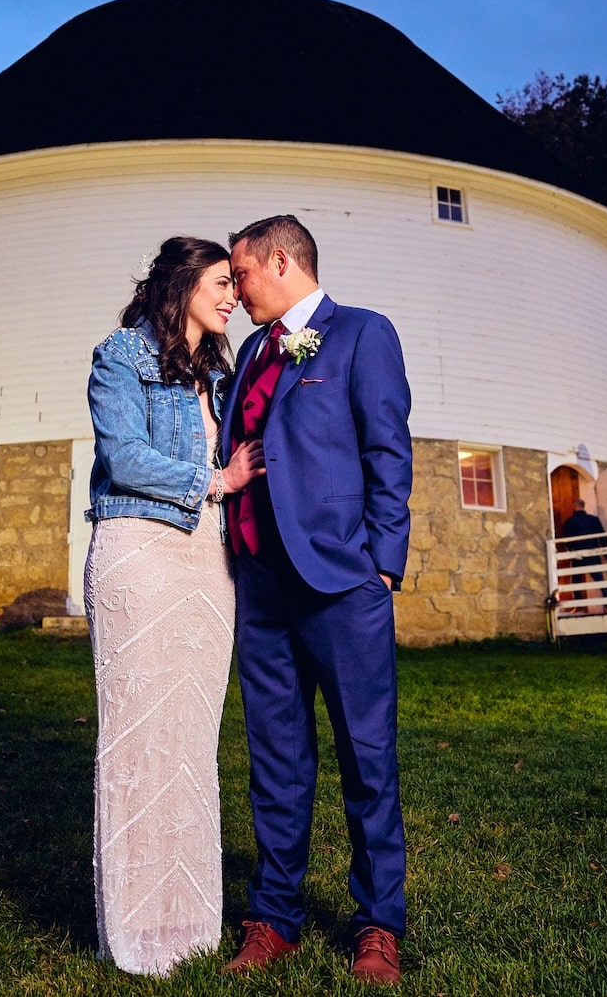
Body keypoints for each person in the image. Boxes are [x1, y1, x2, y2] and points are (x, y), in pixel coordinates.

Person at [219, 215, 413, 986]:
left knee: (367, 758)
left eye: (241, 272)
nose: (235, 288)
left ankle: (378, 923)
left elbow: (387, 450)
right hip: (261, 588)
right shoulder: (249, 353)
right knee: (275, 759)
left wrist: (382, 567)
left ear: (280, 260)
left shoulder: (362, 334)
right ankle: (274, 917)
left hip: (342, 584)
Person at [82, 236, 266, 977]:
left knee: (189, 744)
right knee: (137, 738)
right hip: (140, 551)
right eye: (221, 283)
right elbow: (122, 456)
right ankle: (134, 924)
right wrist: (217, 480)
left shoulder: (218, 374)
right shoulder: (121, 355)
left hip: (206, 563)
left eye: (235, 286)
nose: (232, 298)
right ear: (183, 283)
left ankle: (186, 920)